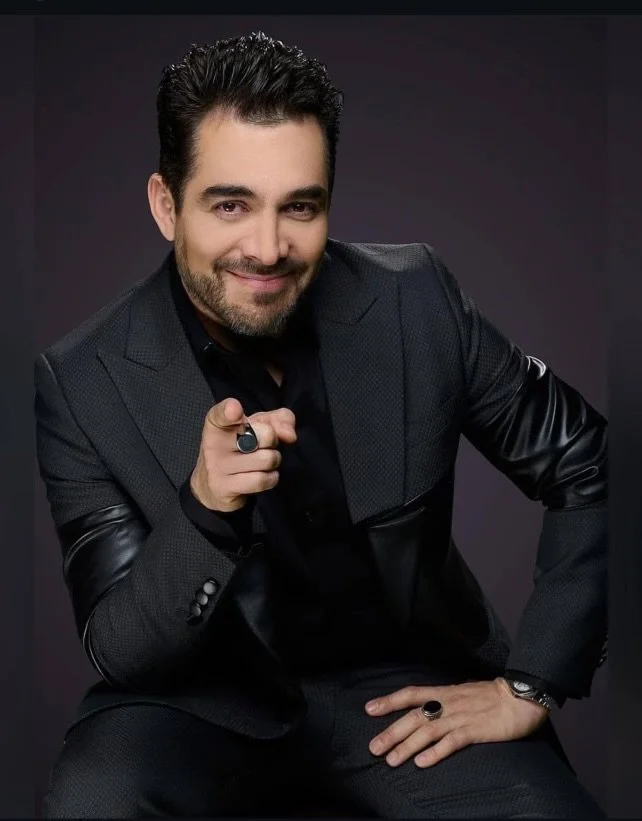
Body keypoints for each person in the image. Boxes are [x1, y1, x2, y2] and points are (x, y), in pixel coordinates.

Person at [35, 31, 607, 818]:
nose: (267, 249)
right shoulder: (81, 376)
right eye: (230, 204)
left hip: (404, 693)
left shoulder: (415, 299)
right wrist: (204, 508)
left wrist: (532, 681)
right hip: (196, 706)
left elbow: (590, 460)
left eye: (298, 207)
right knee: (92, 802)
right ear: (167, 205)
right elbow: (122, 646)